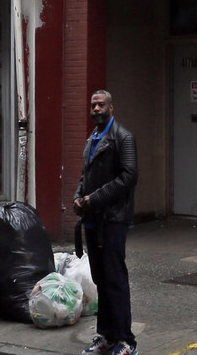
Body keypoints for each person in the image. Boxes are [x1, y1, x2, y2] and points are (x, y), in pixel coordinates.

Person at [74, 89, 137, 355]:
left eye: (101, 105)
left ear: (111, 107)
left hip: (112, 220)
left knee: (114, 279)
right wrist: (79, 197)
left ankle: (126, 341)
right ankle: (106, 337)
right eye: (93, 105)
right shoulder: (93, 139)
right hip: (92, 220)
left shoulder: (123, 137)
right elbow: (84, 176)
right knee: (101, 279)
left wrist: (93, 199)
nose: (96, 109)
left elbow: (128, 176)